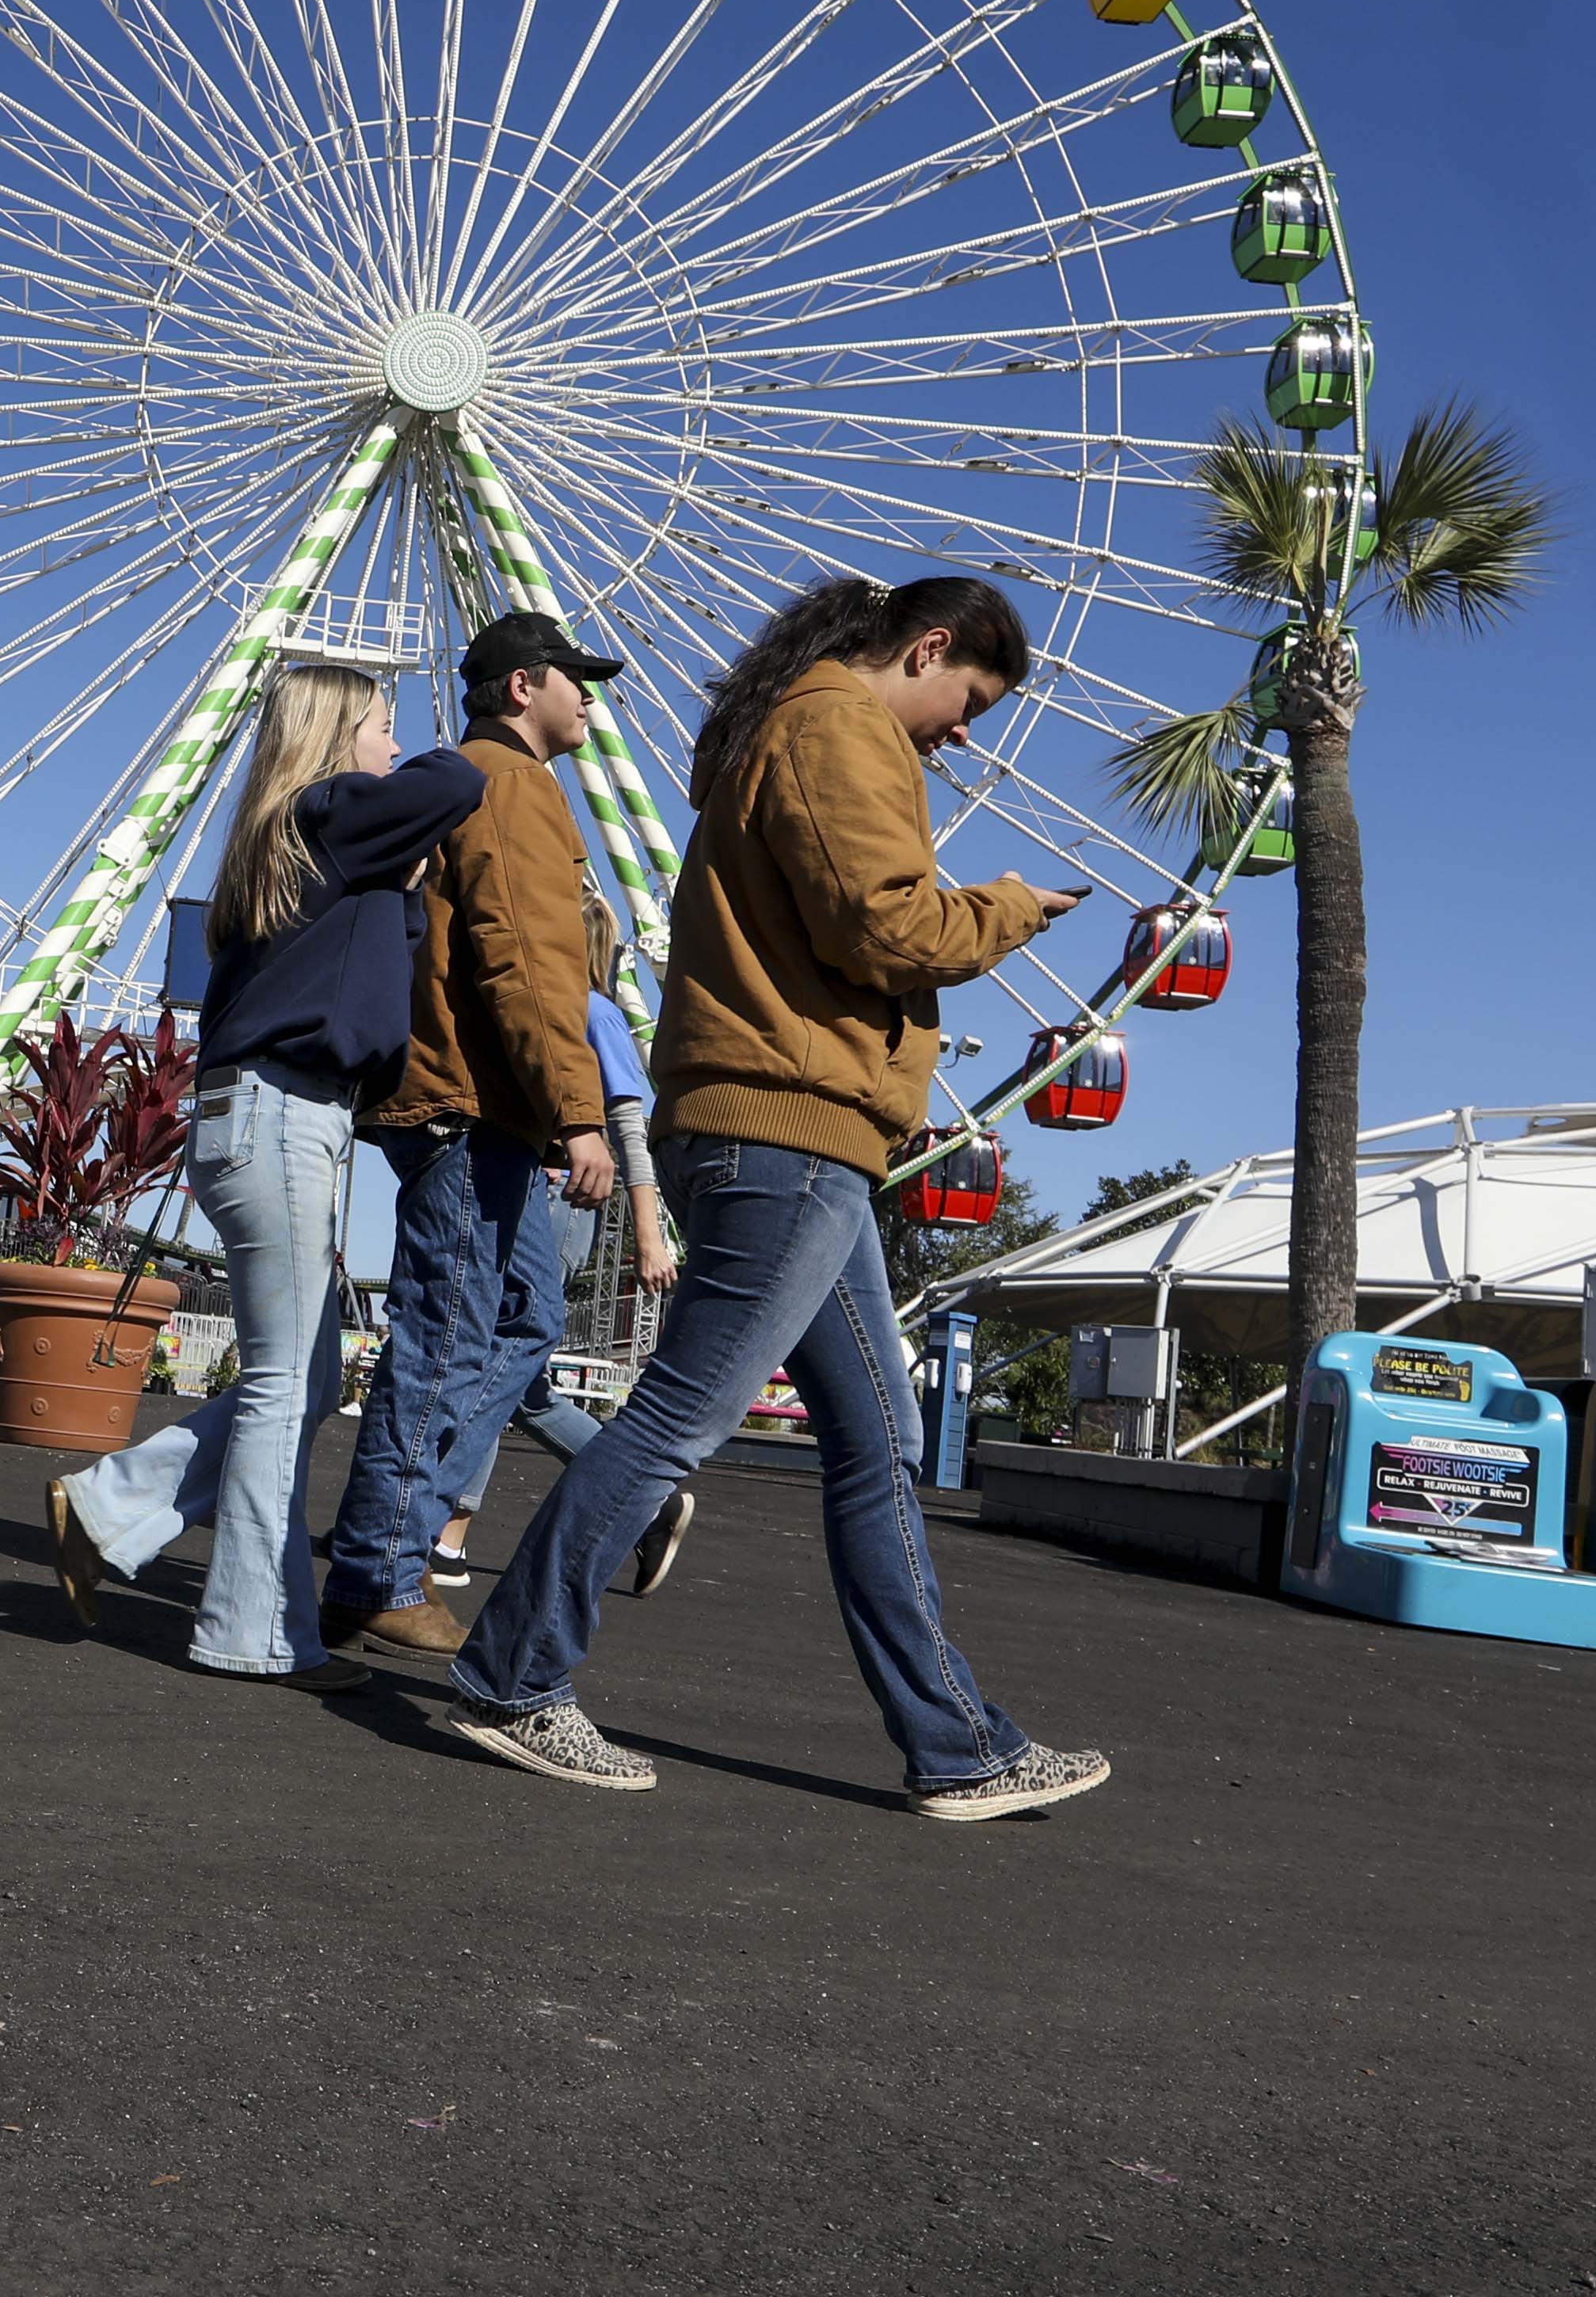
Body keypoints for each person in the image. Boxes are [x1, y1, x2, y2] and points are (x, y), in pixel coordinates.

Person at [437, 574, 1107, 1815]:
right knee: (681, 1420)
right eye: (968, 703)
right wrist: (1012, 909)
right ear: (929, 646)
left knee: (882, 1444)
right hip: (783, 1127)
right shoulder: (836, 725)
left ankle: (959, 1744)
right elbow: (887, 928)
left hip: (802, 1134)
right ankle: (513, 1675)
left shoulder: (789, 728)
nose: (962, 734)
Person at [45, 663, 484, 1686]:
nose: (393, 745)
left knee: (309, 1376)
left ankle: (112, 1507)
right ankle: (248, 1627)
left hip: (274, 1115)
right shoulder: (329, 810)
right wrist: (487, 733)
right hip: (280, 1111)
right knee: (290, 1385)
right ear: (337, 737)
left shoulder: (303, 843)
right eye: (382, 726)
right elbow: (456, 786)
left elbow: (386, 955)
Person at [314, 611, 622, 1657]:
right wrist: (578, 1113)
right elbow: (527, 964)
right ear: (524, 686)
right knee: (447, 1335)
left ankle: (393, 1533)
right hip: (466, 1103)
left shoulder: (492, 780)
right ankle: (378, 1567)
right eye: (579, 680)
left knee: (524, 1320)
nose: (593, 698)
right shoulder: (509, 782)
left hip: (482, 1107)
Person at [429, 909, 692, 1596]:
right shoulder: (552, 1010)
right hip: (535, 1190)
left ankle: (447, 1536)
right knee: (525, 1387)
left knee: (496, 1359)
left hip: (552, 1196)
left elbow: (630, 1129)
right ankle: (647, 1502)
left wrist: (647, 1230)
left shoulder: (593, 1013)